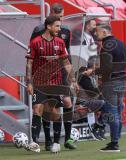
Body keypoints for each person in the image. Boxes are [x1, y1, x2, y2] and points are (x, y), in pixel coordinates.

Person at [25, 15, 79, 153]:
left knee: (54, 112)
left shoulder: (60, 42)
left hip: (55, 83)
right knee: (37, 108)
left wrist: (73, 80)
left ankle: (56, 142)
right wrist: (29, 82)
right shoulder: (35, 42)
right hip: (39, 82)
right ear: (48, 26)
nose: (59, 29)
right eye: (57, 26)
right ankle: (35, 142)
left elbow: (66, 63)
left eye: (60, 26)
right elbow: (29, 63)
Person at [85, 22, 126, 152]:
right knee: (118, 111)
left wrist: (92, 72)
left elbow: (106, 68)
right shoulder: (121, 43)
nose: (95, 33)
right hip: (122, 81)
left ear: (104, 32)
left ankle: (114, 143)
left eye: (97, 31)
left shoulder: (106, 46)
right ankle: (116, 139)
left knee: (112, 112)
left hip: (111, 83)